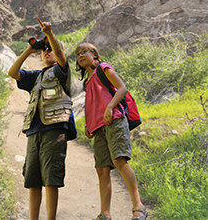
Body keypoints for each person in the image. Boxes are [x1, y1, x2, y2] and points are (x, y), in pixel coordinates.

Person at [8, 20, 72, 220]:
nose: (47, 52)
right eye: (44, 51)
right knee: (33, 180)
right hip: (34, 132)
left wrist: (50, 35)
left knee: (51, 178)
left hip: (54, 129)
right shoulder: (36, 76)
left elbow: (60, 55)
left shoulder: (61, 71)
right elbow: (13, 73)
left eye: (49, 50)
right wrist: (29, 50)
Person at [75, 43, 147, 220]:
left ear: (95, 55)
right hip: (98, 128)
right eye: (77, 54)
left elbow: (122, 88)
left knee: (119, 160)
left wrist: (110, 107)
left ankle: (139, 207)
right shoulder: (87, 82)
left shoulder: (103, 68)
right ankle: (105, 214)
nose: (80, 55)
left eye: (84, 51)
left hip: (114, 120)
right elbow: (93, 105)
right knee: (102, 169)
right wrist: (89, 125)